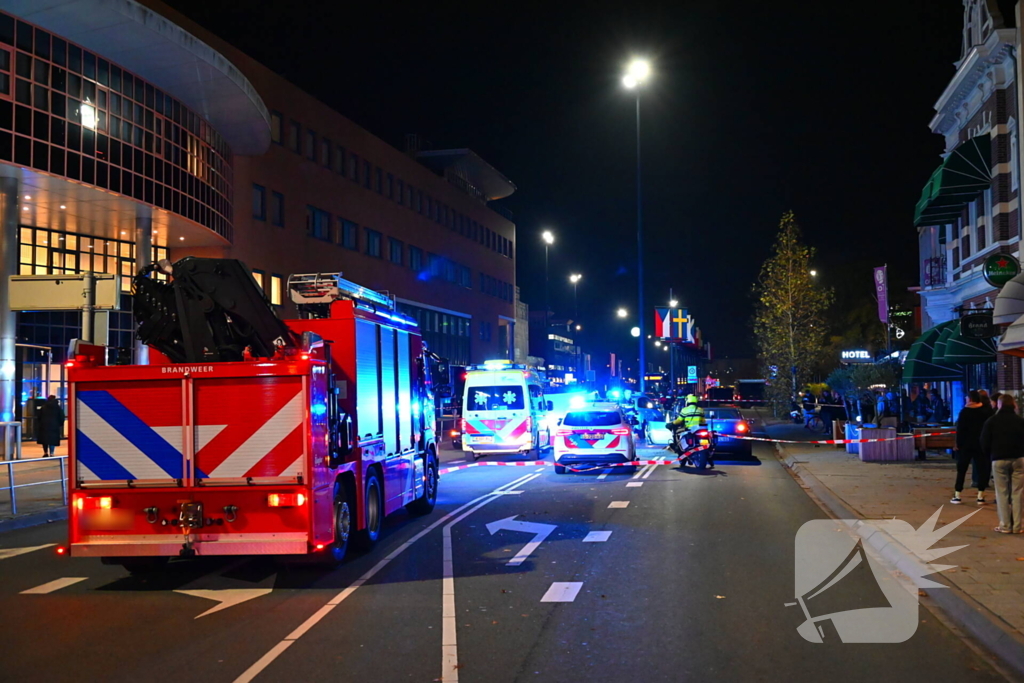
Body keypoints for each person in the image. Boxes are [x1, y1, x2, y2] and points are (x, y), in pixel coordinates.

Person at [980, 394, 1024, 533]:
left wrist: (990, 455)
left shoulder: (992, 421)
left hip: (998, 459)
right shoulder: (1020, 421)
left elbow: (984, 441)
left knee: (1002, 493)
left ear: (999, 405)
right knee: (1018, 493)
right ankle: (1018, 526)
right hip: (1019, 459)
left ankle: (1005, 525)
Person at [952, 390, 994, 505]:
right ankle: (980, 495)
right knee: (982, 469)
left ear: (970, 399)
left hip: (966, 445)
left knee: (962, 469)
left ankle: (958, 494)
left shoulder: (965, 412)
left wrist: (958, 445)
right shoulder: (986, 412)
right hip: (981, 445)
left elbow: (960, 430)